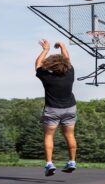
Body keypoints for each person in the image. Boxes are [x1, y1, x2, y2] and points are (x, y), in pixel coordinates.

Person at [35, 39, 77, 176]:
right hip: (70, 109)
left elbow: (38, 65)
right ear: (65, 64)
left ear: (51, 65)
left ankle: (49, 163)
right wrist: (62, 46)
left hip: (52, 110)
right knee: (70, 135)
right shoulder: (70, 73)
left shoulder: (46, 76)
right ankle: (72, 161)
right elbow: (67, 59)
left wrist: (45, 50)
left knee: (48, 135)